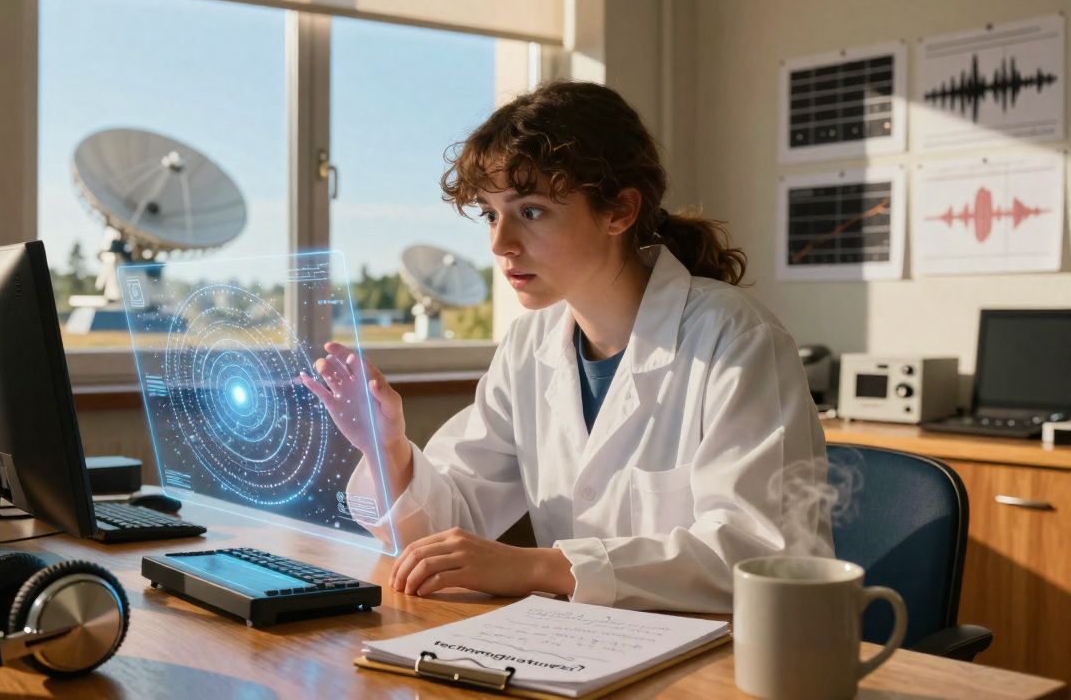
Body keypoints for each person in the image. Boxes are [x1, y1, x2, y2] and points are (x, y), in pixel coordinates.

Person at [299, 81, 831, 614]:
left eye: (530, 211)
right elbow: (446, 535)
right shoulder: (529, 345)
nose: (499, 243)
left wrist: (537, 566)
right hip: (584, 650)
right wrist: (386, 448)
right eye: (490, 213)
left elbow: (758, 554)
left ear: (619, 211)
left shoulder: (734, 337)